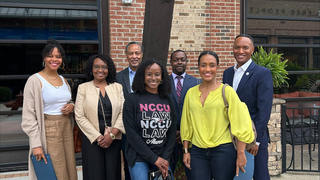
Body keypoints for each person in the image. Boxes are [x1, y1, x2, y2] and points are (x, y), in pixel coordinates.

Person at [180, 51, 255, 180]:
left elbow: (241, 123)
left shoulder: (227, 91)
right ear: (198, 67)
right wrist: (186, 151)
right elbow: (187, 124)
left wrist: (241, 153)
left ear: (217, 67)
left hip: (223, 150)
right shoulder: (190, 93)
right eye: (203, 65)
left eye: (212, 65)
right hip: (198, 150)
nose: (207, 69)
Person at [21, 39, 77, 180]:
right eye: (50, 56)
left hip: (66, 128)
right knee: (54, 171)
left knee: (69, 167)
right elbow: (28, 116)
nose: (54, 59)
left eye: (58, 56)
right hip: (48, 130)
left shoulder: (64, 80)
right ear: (44, 58)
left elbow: (65, 100)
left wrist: (71, 105)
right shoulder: (34, 80)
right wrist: (36, 144)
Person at [223, 34, 273, 180]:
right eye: (237, 47)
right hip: (231, 137)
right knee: (237, 175)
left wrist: (255, 140)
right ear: (232, 49)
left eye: (245, 47)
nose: (240, 51)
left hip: (254, 137)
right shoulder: (227, 73)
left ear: (252, 50)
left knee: (260, 176)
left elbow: (264, 110)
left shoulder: (262, 73)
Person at [123, 59, 177, 180]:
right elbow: (131, 134)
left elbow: (172, 133)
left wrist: (165, 157)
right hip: (138, 157)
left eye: (157, 74)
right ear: (142, 76)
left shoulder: (168, 100)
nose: (153, 78)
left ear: (162, 77)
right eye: (149, 74)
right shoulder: (132, 99)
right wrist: (154, 159)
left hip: (163, 155)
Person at [74, 54, 125, 180]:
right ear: (91, 69)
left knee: (113, 173)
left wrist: (112, 135)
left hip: (114, 138)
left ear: (109, 69)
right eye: (96, 67)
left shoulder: (117, 87)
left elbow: (123, 113)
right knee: (94, 174)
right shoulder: (83, 88)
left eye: (104, 67)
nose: (100, 70)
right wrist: (98, 137)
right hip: (92, 139)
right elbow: (79, 116)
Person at [168, 49, 199, 179]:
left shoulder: (196, 82)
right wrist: (172, 130)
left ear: (187, 62)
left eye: (182, 59)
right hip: (169, 136)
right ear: (171, 62)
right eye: (176, 59)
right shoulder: (163, 82)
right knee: (169, 172)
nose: (179, 62)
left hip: (190, 136)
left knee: (191, 172)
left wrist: (186, 132)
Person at [116, 41, 143, 180]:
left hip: (146, 129)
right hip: (127, 129)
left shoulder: (150, 75)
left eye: (137, 53)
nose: (134, 56)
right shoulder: (118, 77)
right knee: (128, 163)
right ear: (126, 56)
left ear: (142, 55)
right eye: (131, 53)